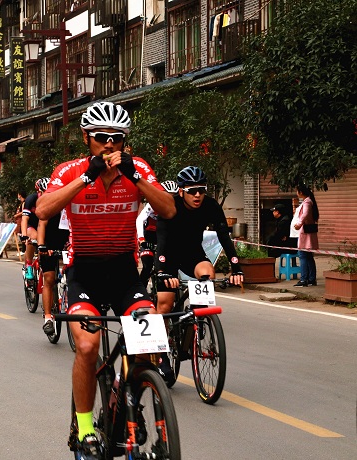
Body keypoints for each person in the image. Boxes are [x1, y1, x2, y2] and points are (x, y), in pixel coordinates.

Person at [36, 101, 175, 459]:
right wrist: (87, 177)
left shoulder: (138, 167)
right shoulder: (69, 170)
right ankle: (84, 427)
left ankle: (129, 398)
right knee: (87, 346)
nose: (110, 144)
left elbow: (168, 209)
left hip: (125, 274)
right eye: (101, 137)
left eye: (118, 138)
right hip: (84, 273)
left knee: (149, 346)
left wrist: (136, 178)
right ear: (87, 138)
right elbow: (44, 209)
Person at [154, 166, 244, 386]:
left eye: (201, 190)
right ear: (181, 191)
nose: (197, 195)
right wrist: (162, 271)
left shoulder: (211, 205)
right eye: (192, 191)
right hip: (168, 255)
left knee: (207, 273)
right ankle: (161, 354)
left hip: (192, 253)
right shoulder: (170, 205)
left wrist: (236, 268)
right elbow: (162, 240)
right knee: (165, 304)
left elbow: (224, 237)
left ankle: (198, 319)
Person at [36, 178, 70, 337]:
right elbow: (41, 225)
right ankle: (48, 318)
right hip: (49, 244)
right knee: (49, 278)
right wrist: (42, 246)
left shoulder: (72, 204)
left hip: (68, 244)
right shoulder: (51, 204)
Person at [136, 180, 179, 288]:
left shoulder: (177, 206)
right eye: (168, 195)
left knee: (170, 264)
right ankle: (141, 290)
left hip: (164, 237)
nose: (170, 199)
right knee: (148, 265)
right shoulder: (152, 204)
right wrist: (141, 239)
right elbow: (140, 220)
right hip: (149, 237)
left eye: (174, 196)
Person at [293, 184, 319, 287]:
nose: (296, 193)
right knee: (308, 256)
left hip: (305, 232)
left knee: (302, 255)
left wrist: (299, 224)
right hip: (308, 232)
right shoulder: (308, 201)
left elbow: (305, 214)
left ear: (301, 192)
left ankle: (304, 279)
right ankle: (311, 279)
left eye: (297, 191)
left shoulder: (307, 202)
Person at [21, 180, 46, 280]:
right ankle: (29, 265)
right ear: (39, 192)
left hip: (44, 225)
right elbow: (24, 219)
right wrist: (24, 235)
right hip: (31, 225)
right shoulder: (31, 199)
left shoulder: (52, 199)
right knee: (34, 238)